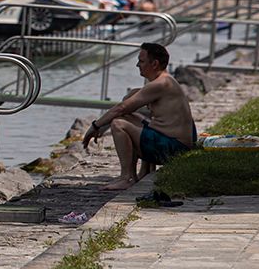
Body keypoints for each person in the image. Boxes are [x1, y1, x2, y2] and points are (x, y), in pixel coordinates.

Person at [83, 42, 196, 190]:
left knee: (119, 124)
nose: (137, 65)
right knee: (129, 113)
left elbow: (121, 108)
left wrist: (95, 126)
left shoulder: (160, 84)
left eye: (141, 61)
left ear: (154, 63)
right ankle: (144, 171)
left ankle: (127, 177)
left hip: (174, 148)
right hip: (175, 143)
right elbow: (129, 102)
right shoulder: (165, 81)